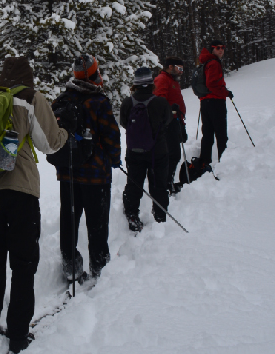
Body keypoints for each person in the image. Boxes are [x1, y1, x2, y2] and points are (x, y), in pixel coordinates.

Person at [0, 57, 67, 354]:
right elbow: (50, 143)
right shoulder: (29, 98)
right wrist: (64, 130)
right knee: (24, 262)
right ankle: (17, 334)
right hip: (21, 191)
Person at [53, 55, 121, 283]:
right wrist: (114, 158)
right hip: (95, 175)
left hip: (68, 171)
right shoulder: (99, 101)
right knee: (97, 222)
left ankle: (70, 265)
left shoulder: (62, 100)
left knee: (69, 219)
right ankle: (99, 267)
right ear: (94, 75)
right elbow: (111, 134)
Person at [120, 67, 172, 231]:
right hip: (158, 151)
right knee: (159, 185)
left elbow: (123, 122)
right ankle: (160, 217)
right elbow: (167, 121)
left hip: (134, 151)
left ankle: (132, 216)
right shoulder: (161, 102)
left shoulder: (127, 103)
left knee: (134, 184)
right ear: (151, 83)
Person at [181, 39, 232, 186]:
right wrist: (226, 92)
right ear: (212, 50)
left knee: (208, 134)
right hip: (216, 102)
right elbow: (212, 84)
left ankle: (204, 163)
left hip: (205, 102)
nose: (221, 50)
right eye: (218, 48)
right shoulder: (214, 63)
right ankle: (225, 163)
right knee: (221, 134)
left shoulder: (205, 62)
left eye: (223, 47)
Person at [153, 57, 188, 193]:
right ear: (170, 67)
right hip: (167, 124)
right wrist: (170, 114)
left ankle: (168, 182)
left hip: (175, 121)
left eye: (182, 69)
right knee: (172, 155)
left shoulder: (172, 80)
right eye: (179, 68)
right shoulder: (162, 79)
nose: (181, 72)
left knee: (174, 154)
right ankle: (166, 184)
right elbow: (160, 101)